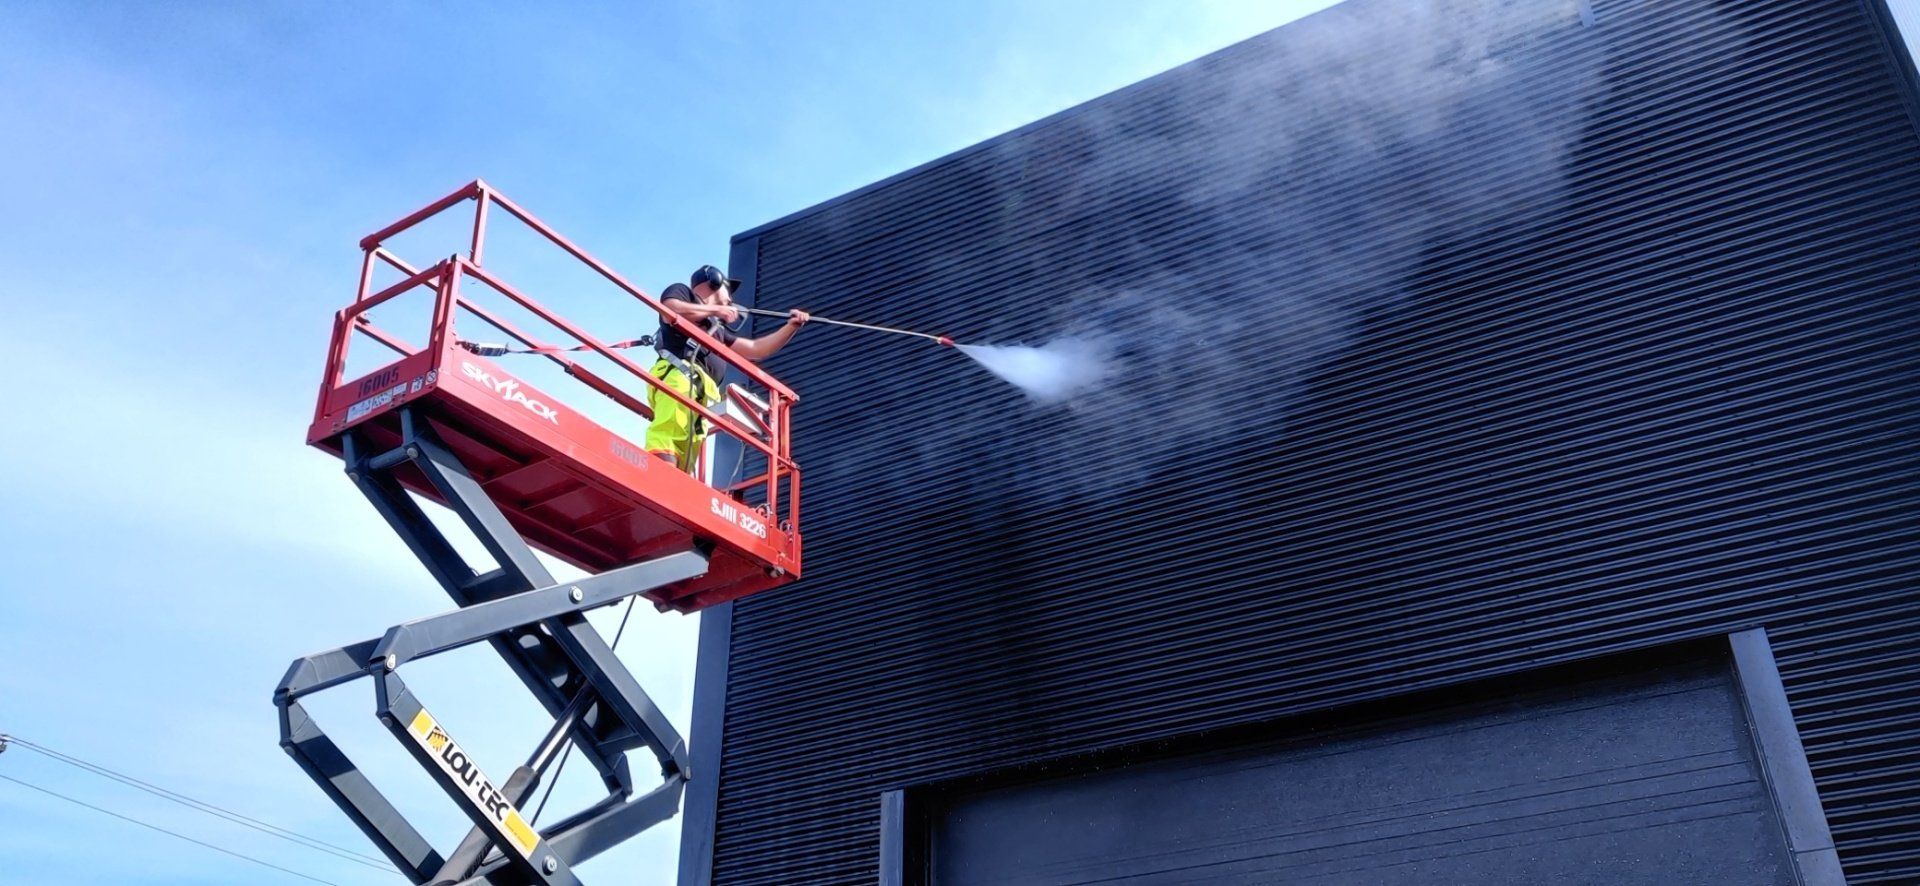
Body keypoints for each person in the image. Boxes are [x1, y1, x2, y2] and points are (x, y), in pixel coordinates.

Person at [645, 264, 809, 473]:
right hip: (679, 376)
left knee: (690, 443)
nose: (731, 299)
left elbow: (757, 349)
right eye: (728, 290)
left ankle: (675, 480)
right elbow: (670, 310)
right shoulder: (683, 293)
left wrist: (791, 326)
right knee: (671, 429)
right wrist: (716, 310)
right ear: (713, 281)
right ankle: (660, 475)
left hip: (700, 392)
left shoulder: (717, 330)